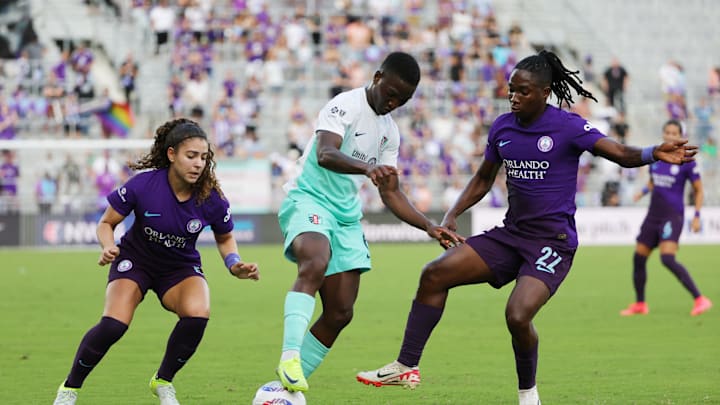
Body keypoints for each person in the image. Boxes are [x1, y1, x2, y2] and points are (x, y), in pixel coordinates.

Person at [356, 50, 696, 405]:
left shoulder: (568, 126)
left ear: (545, 92)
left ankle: (528, 394)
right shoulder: (503, 127)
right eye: (511, 90)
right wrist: (453, 213)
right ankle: (406, 365)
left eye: (523, 91)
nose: (514, 97)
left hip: (553, 243)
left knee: (517, 315)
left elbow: (620, 153)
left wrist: (653, 152)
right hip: (511, 235)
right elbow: (484, 178)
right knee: (434, 275)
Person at [272, 51, 462, 393]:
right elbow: (325, 153)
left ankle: (281, 392)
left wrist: (429, 226)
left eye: (402, 100)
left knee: (341, 312)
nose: (393, 102)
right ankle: (289, 357)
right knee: (315, 262)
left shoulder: (390, 133)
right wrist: (366, 168)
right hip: (309, 200)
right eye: (390, 93)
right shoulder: (345, 105)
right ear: (377, 77)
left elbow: (391, 194)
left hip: (345, 216)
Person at [52, 118, 260, 405]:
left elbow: (225, 238)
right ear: (172, 154)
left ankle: (163, 381)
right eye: (191, 156)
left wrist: (234, 263)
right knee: (114, 325)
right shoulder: (144, 185)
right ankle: (69, 389)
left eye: (203, 157)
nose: (198, 164)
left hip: (180, 267)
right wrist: (109, 246)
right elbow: (106, 223)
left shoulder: (211, 197)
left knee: (198, 314)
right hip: (135, 261)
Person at [620, 120, 712, 317]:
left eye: (674, 133)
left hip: (672, 215)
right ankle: (640, 304)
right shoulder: (657, 157)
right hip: (653, 214)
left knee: (667, 258)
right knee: (638, 258)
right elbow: (654, 182)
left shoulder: (687, 161)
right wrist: (642, 192)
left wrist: (697, 216)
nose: (670, 136)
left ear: (680, 136)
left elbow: (698, 190)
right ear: (663, 134)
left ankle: (700, 299)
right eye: (667, 132)